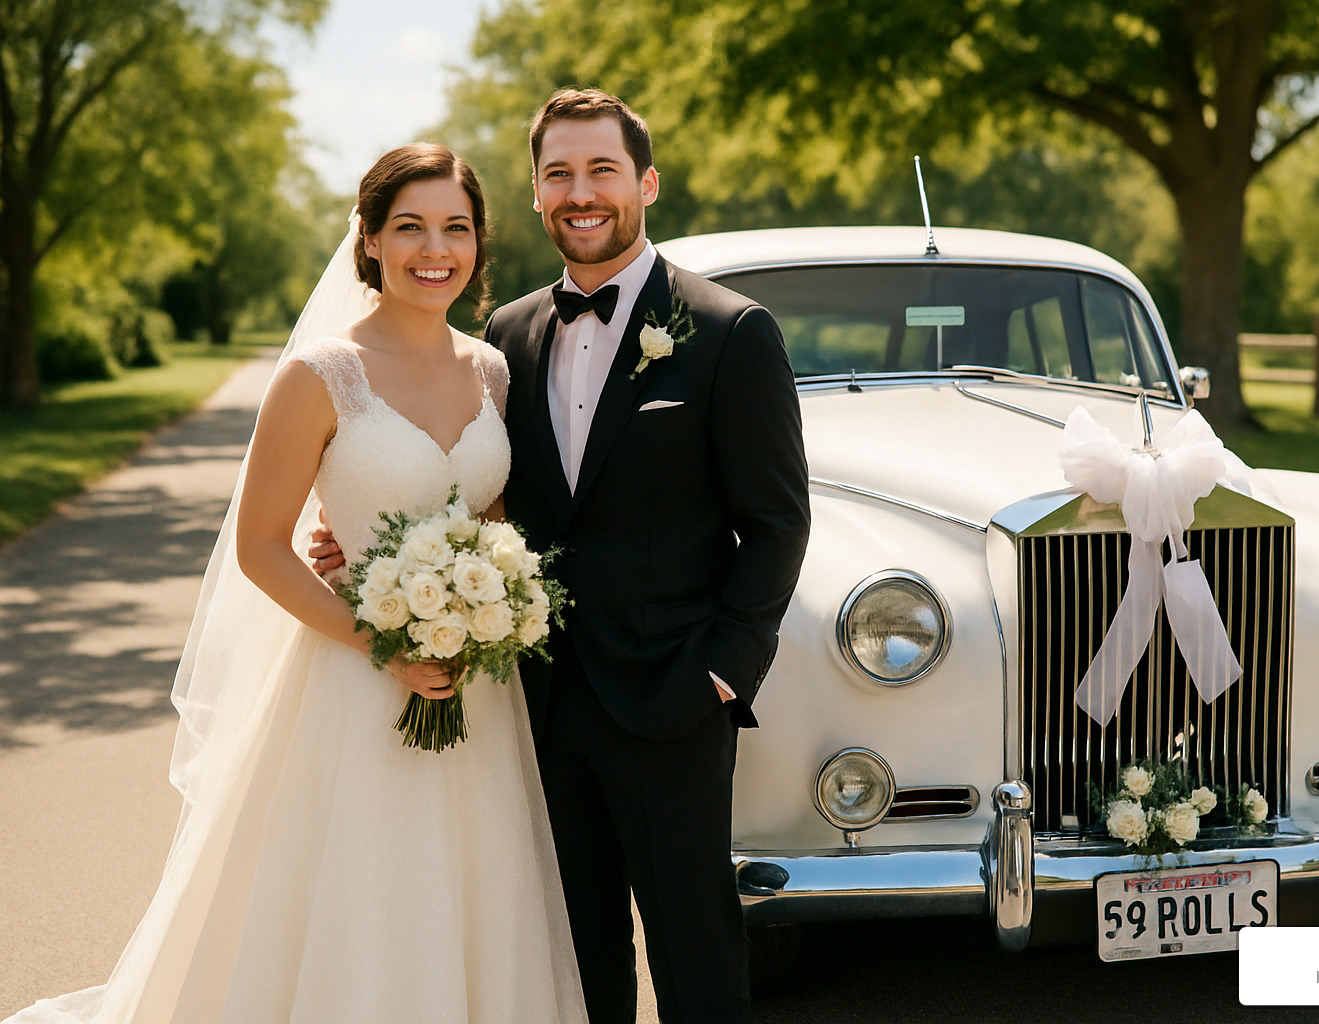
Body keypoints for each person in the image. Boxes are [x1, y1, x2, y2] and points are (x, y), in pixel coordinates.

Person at [4, 144, 587, 1023]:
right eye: (411, 227)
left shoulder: (492, 369)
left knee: (468, 888)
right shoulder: (322, 373)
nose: (437, 249)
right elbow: (263, 547)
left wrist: (486, 605)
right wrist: (383, 641)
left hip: (475, 689)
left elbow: (492, 518)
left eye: (457, 228)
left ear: (479, 243)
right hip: (349, 684)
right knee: (354, 894)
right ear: (372, 240)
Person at [315, 89, 812, 1023]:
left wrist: (721, 673)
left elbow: (779, 523)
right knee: (564, 959)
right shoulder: (505, 337)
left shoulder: (731, 331)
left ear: (646, 183)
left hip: (672, 695)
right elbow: (487, 495)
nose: (580, 193)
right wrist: (381, 527)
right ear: (538, 195)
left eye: (602, 171)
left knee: (696, 954)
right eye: (558, 174)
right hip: (531, 698)